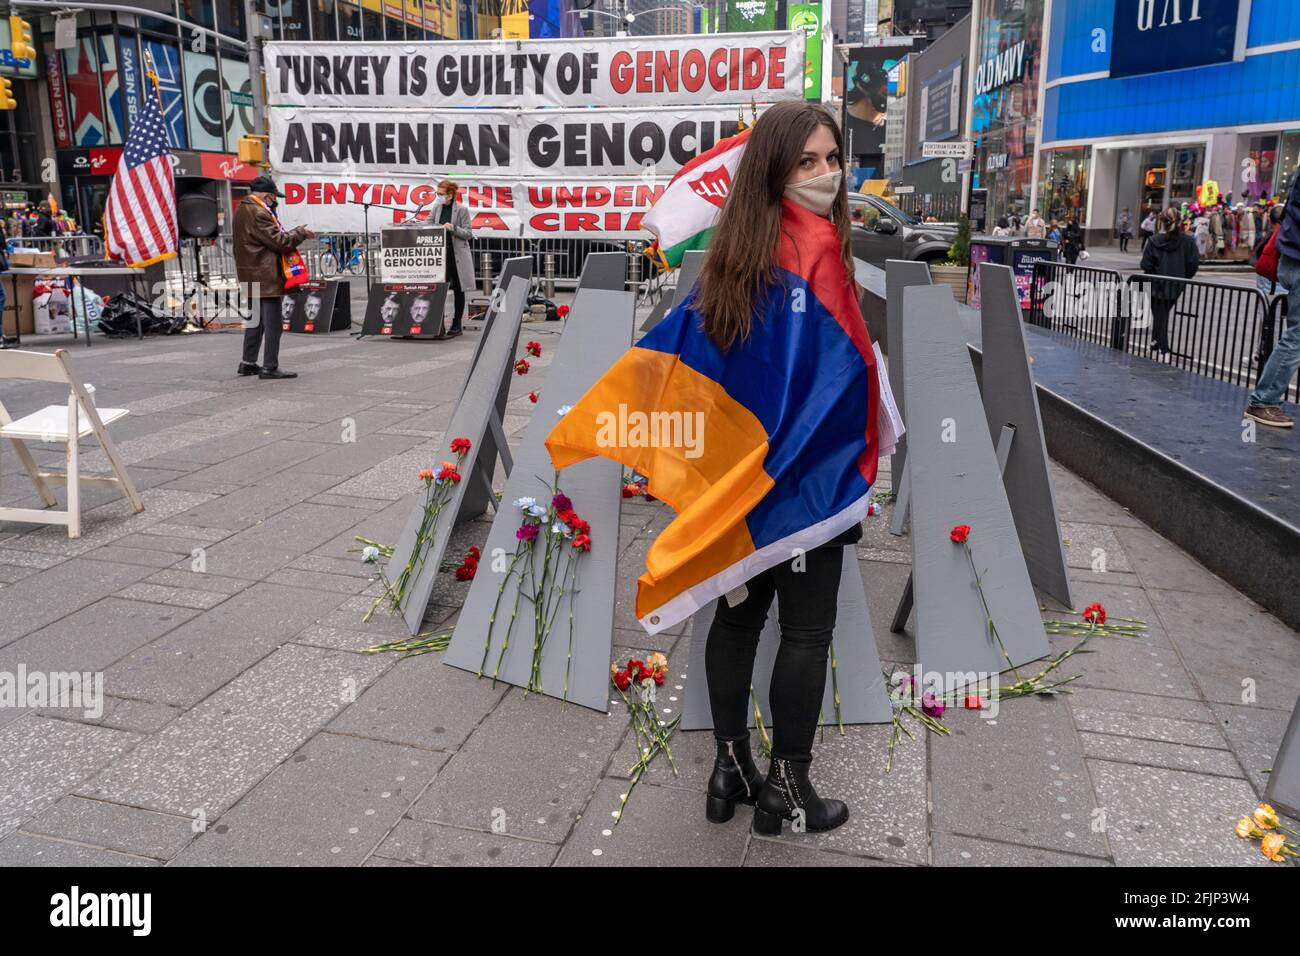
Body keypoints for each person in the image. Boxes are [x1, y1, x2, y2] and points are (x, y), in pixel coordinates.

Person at [233, 174, 313, 379]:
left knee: (255, 321)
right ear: (267, 196)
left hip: (251, 272)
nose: (275, 201)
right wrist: (300, 232)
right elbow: (281, 242)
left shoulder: (243, 208)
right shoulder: (258, 212)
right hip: (265, 275)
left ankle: (248, 362)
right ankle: (270, 366)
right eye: (273, 197)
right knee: (272, 323)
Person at [1245, 168, 1300, 428]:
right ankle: (1265, 400)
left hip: (1291, 258)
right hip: (1296, 261)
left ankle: (1265, 400)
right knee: (1297, 335)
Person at [1140, 209, 1199, 355]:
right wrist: (1183, 278)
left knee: (1160, 314)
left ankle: (1163, 348)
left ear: (1162, 223)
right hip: (1176, 285)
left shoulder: (1153, 241)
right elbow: (1193, 265)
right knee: (1162, 314)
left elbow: (1145, 265)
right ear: (1179, 222)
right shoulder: (1189, 241)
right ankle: (1156, 343)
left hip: (1155, 284)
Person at [436, 179, 475, 334]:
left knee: (459, 289)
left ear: (450, 195)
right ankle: (438, 322)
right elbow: (429, 223)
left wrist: (453, 228)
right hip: (440, 255)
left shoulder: (461, 210)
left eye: (440, 194)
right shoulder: (436, 208)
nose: (437, 196)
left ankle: (456, 323)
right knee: (439, 289)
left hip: (456, 254)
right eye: (437, 193)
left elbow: (468, 234)